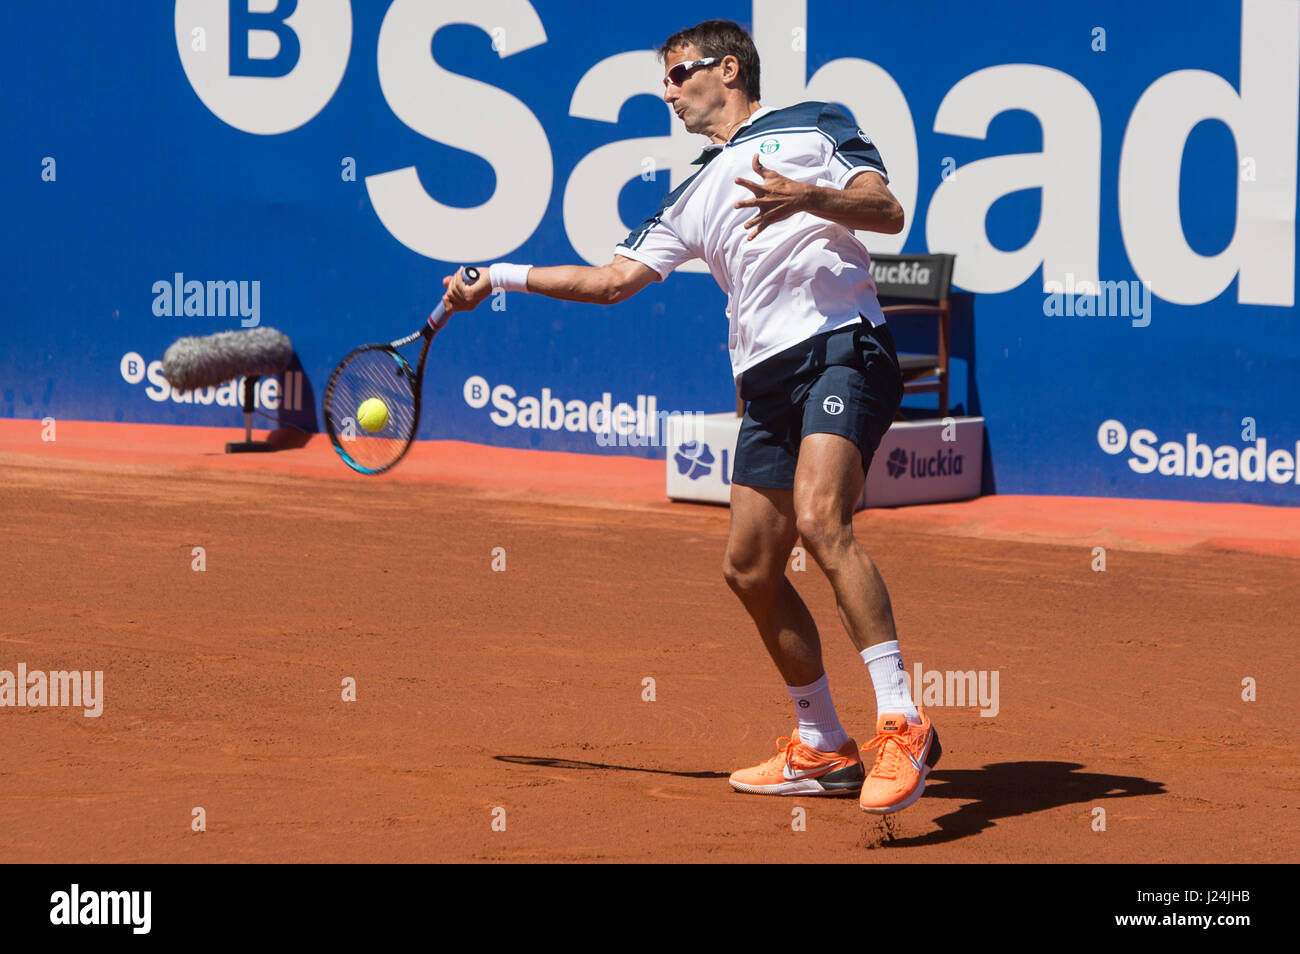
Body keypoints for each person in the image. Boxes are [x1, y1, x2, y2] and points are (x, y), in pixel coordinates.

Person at [442, 19, 940, 814]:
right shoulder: (690, 194)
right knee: (748, 568)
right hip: (768, 384)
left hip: (842, 348)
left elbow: (886, 210)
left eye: (677, 74)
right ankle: (821, 742)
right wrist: (498, 276)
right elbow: (610, 282)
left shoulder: (816, 123)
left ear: (727, 67)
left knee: (820, 519)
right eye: (664, 79)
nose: (667, 90)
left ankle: (904, 722)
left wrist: (810, 197)